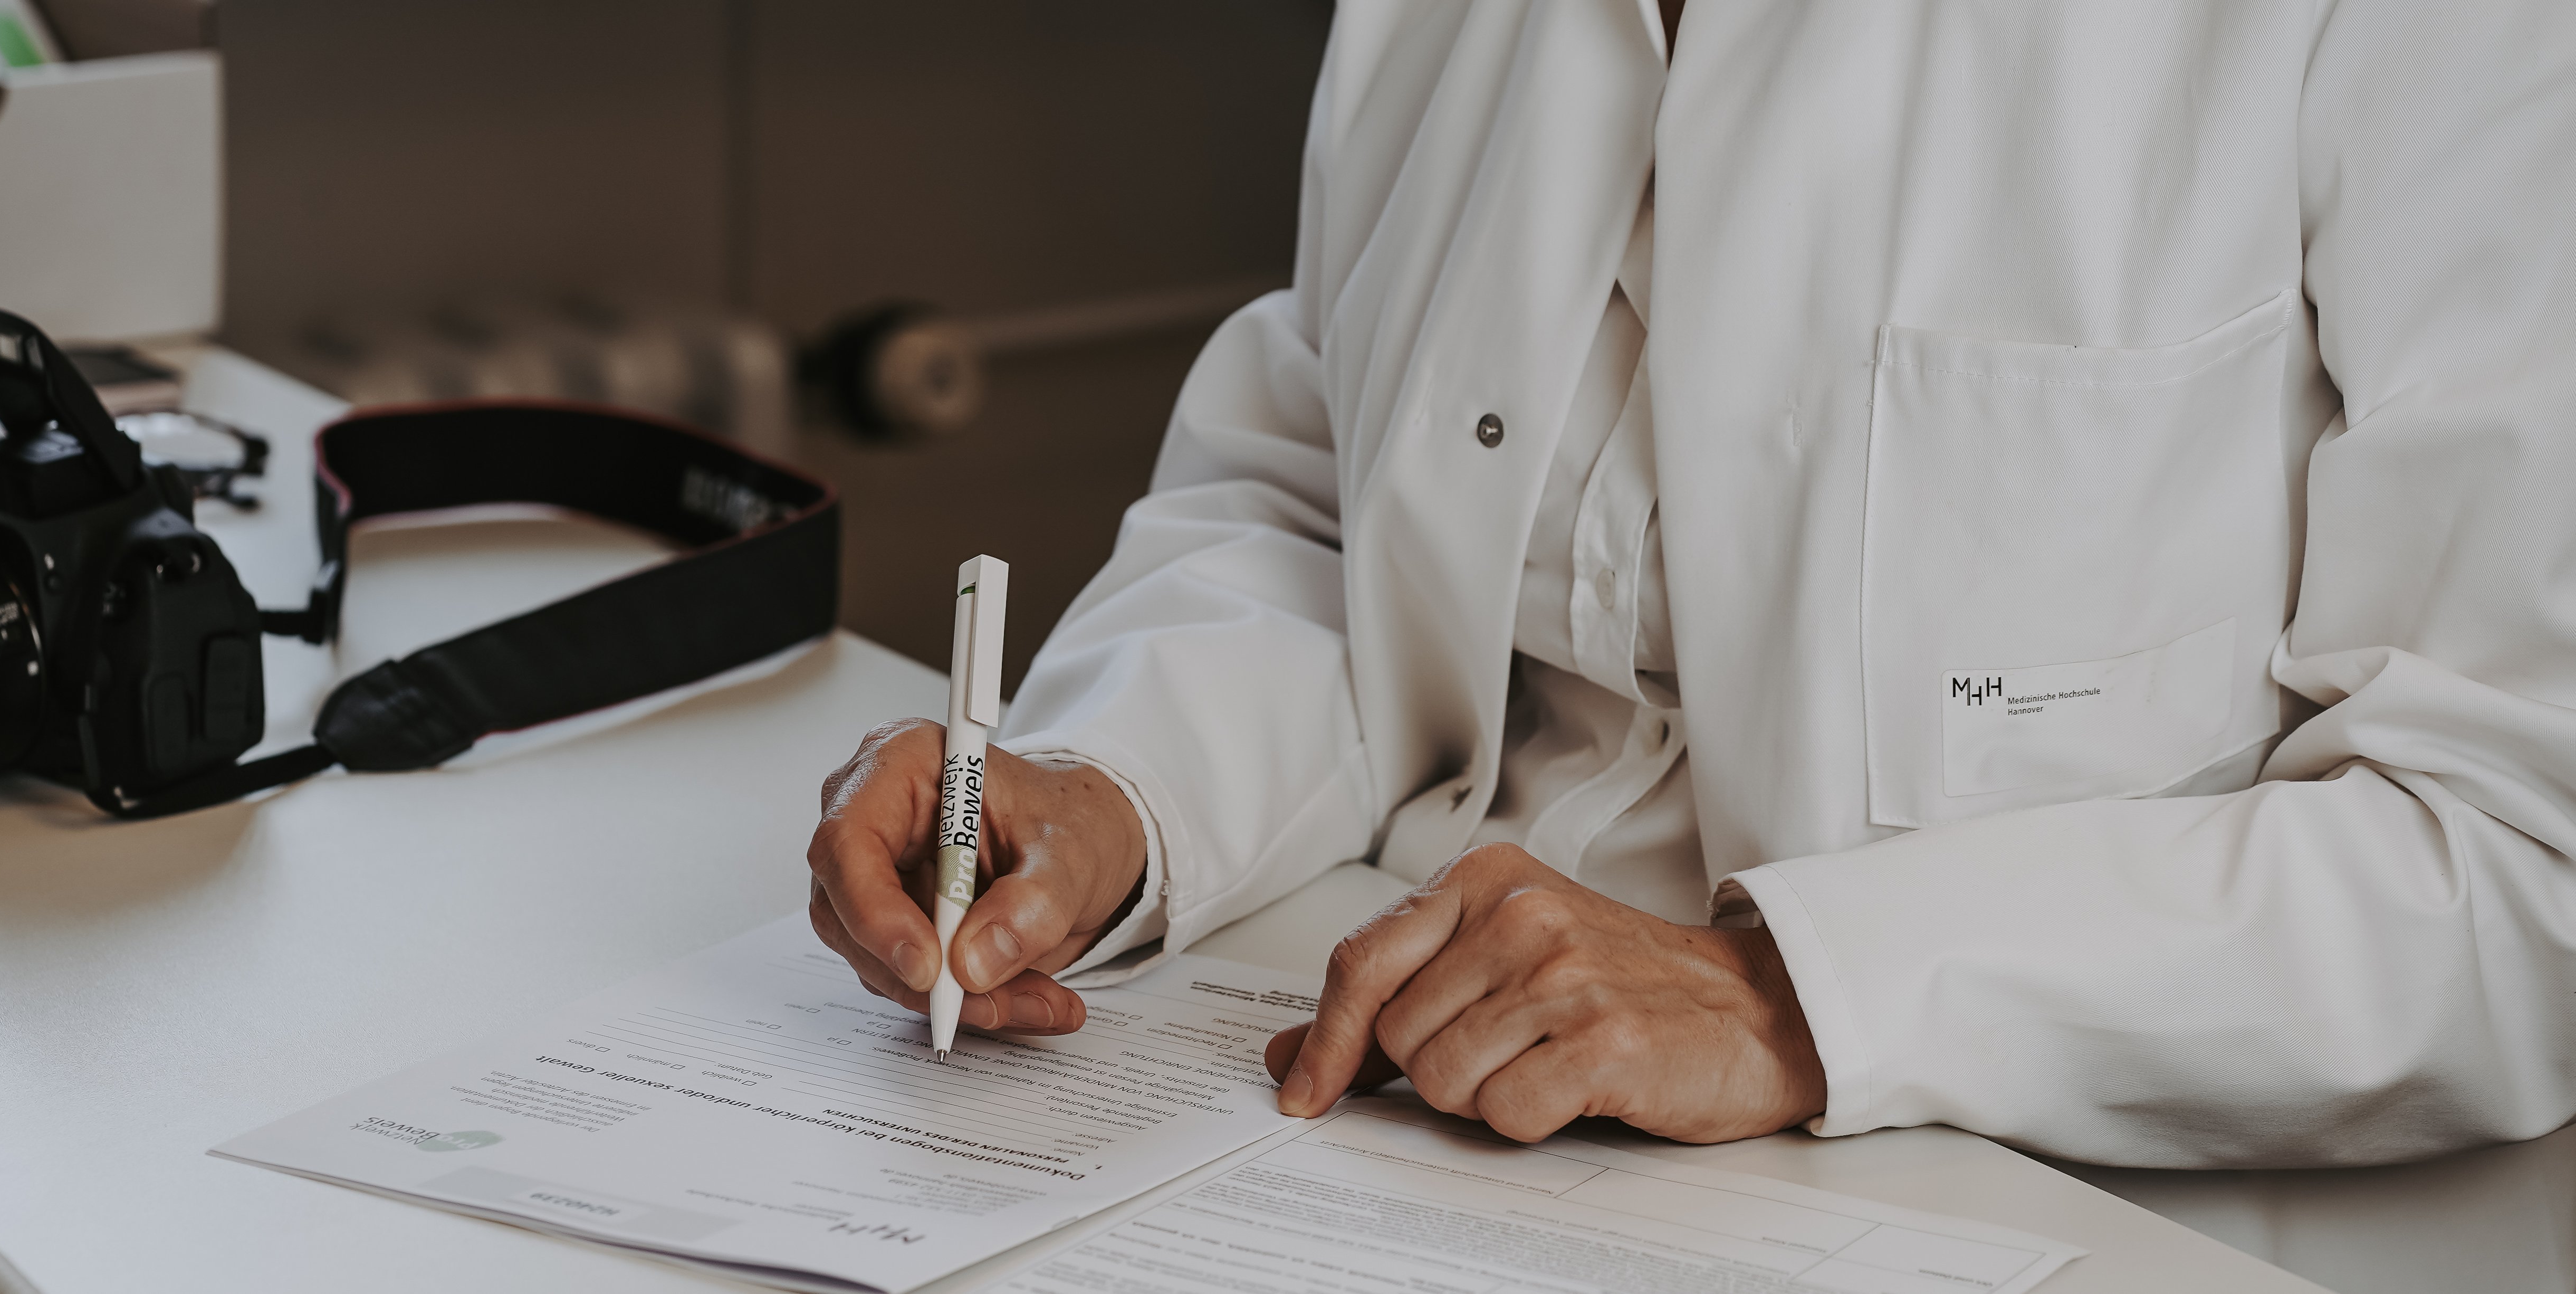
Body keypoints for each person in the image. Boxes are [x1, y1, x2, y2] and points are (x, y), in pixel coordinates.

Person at [805, 0, 2576, 1178]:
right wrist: (1111, 792)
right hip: (1399, 1141)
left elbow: (2521, 845)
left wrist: (1789, 994)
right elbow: (1331, 494)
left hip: (2060, 1203)